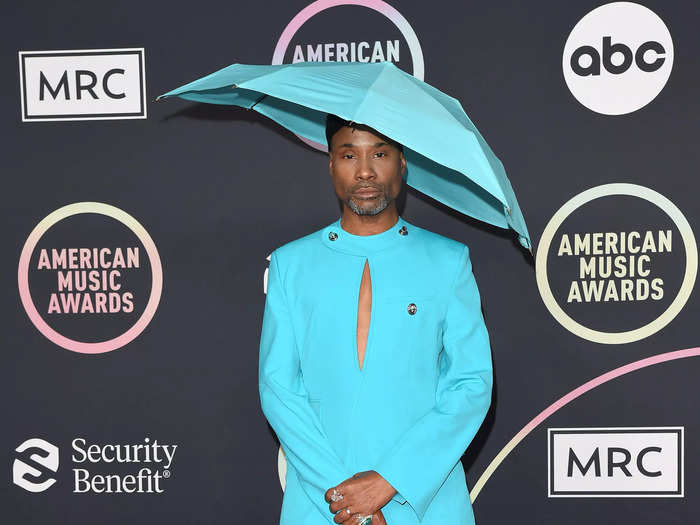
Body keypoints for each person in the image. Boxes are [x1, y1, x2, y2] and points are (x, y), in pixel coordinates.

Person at [258, 113, 493, 525]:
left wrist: (388, 481)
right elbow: (278, 389)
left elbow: (471, 385)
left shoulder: (448, 261)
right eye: (349, 155)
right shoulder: (290, 264)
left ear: (402, 163)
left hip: (425, 500)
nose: (365, 171)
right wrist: (346, 501)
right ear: (331, 164)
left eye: (379, 153)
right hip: (322, 505)